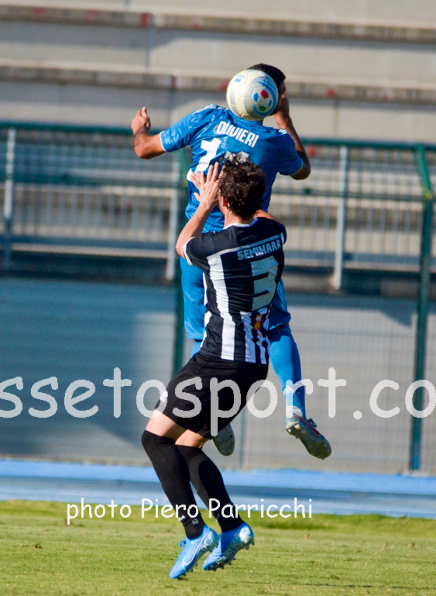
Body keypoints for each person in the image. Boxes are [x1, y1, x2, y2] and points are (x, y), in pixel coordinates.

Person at [132, 63, 330, 459]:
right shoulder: (273, 141)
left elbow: (145, 149)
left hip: (196, 244)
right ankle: (295, 408)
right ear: (273, 98)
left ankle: (210, 416)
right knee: (276, 326)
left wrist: (139, 129)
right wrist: (284, 118)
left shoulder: (206, 117)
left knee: (203, 335)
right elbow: (303, 169)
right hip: (245, 247)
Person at [142, 158, 283, 578]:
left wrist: (203, 203)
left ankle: (194, 531)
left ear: (222, 200)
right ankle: (232, 526)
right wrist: (239, 191)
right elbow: (258, 215)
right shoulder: (275, 232)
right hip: (254, 365)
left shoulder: (215, 246)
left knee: (154, 439)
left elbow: (182, 243)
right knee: (187, 446)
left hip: (218, 360)